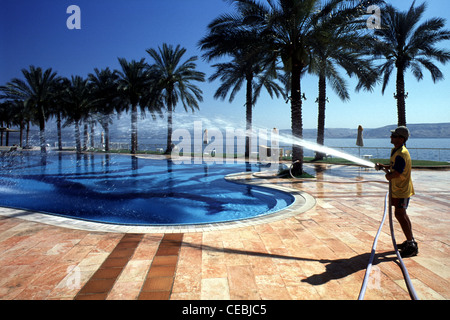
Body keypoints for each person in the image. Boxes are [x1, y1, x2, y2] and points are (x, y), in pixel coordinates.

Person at [375, 126, 418, 258]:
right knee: (401, 214)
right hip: (398, 190)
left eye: (394, 136)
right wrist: (385, 167)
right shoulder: (397, 150)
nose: (391, 137)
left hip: (402, 190)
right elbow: (396, 167)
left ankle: (411, 244)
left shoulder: (402, 153)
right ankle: (410, 240)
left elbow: (398, 172)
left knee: (400, 214)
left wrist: (389, 176)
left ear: (401, 139)